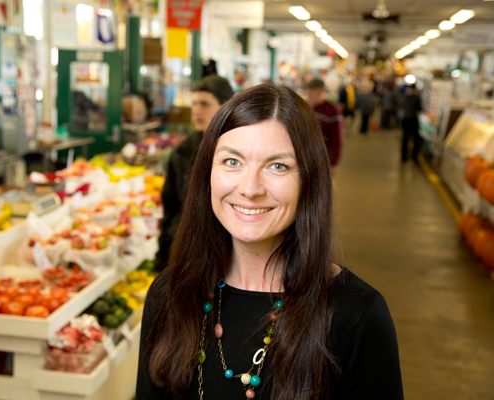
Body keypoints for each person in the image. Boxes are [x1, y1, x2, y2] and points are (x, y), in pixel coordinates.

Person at [137, 83, 403, 400]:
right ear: (207, 172)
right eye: (232, 161)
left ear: (309, 179)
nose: (250, 189)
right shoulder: (169, 296)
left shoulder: (356, 316)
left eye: (278, 166)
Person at [154, 75, 234, 273]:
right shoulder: (181, 153)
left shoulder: (239, 152)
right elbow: (171, 209)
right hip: (186, 254)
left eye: (205, 104)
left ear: (224, 105)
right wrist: (162, 258)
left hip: (227, 256)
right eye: (194, 103)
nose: (197, 111)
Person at [305, 78, 344, 176]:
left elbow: (337, 138)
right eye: (307, 91)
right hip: (304, 157)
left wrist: (333, 163)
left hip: (322, 159)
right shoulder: (305, 107)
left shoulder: (333, 110)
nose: (309, 94)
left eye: (312, 91)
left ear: (321, 92)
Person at [401, 84, 423, 162]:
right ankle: (414, 156)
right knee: (415, 138)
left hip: (405, 119)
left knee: (405, 138)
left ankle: (404, 156)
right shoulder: (417, 98)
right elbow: (420, 109)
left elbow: (403, 107)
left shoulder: (406, 97)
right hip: (413, 119)